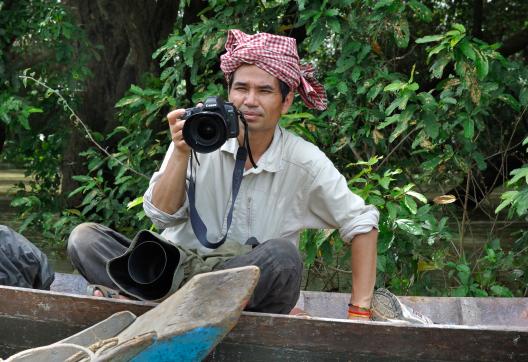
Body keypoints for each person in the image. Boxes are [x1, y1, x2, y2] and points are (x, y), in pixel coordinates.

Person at [67, 29, 379, 319]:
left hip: (240, 280)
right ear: (229, 93)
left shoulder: (303, 161)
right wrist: (180, 152)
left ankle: (149, 306)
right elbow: (160, 216)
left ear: (286, 101)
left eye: (264, 91)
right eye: (241, 88)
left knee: (283, 258)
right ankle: (179, 308)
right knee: (86, 240)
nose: (250, 101)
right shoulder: (201, 133)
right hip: (173, 269)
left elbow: (361, 223)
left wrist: (359, 313)